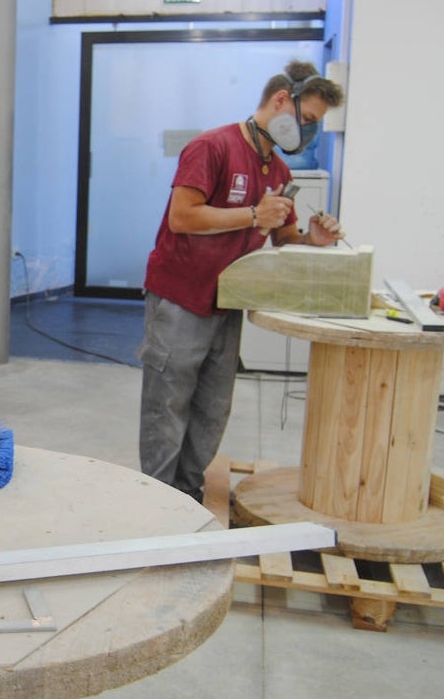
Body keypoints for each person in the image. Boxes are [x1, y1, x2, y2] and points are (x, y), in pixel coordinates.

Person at [137, 59, 345, 504]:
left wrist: (313, 240)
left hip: (227, 302)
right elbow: (182, 217)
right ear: (280, 101)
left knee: (213, 407)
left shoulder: (280, 173)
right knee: (168, 404)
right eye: (306, 120)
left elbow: (283, 237)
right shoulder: (212, 147)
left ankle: (187, 492)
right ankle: (156, 502)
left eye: (314, 126)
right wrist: (252, 214)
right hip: (180, 297)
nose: (307, 132)